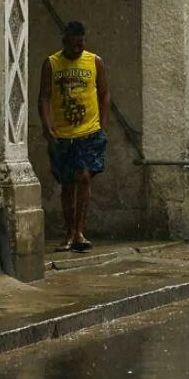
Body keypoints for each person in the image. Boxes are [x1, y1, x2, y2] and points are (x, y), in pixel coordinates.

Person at [38, 21, 110, 253]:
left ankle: (80, 231)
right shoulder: (51, 64)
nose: (77, 49)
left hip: (89, 132)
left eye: (81, 44)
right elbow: (45, 97)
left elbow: (104, 94)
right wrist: (48, 126)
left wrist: (102, 125)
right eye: (73, 44)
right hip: (63, 134)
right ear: (64, 41)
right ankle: (68, 233)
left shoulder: (95, 62)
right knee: (68, 183)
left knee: (85, 177)